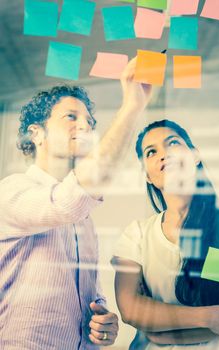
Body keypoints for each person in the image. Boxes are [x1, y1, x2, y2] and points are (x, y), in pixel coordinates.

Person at [0, 58, 153, 349]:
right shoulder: (10, 192)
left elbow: (91, 297)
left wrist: (103, 322)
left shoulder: (83, 219)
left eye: (90, 122)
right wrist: (132, 107)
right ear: (36, 133)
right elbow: (68, 201)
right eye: (70, 117)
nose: (85, 125)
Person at [112, 119, 219, 350]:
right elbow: (130, 310)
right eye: (151, 152)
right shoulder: (137, 234)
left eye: (173, 143)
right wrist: (210, 317)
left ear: (195, 156)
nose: (163, 154)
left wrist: (159, 330)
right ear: (147, 175)